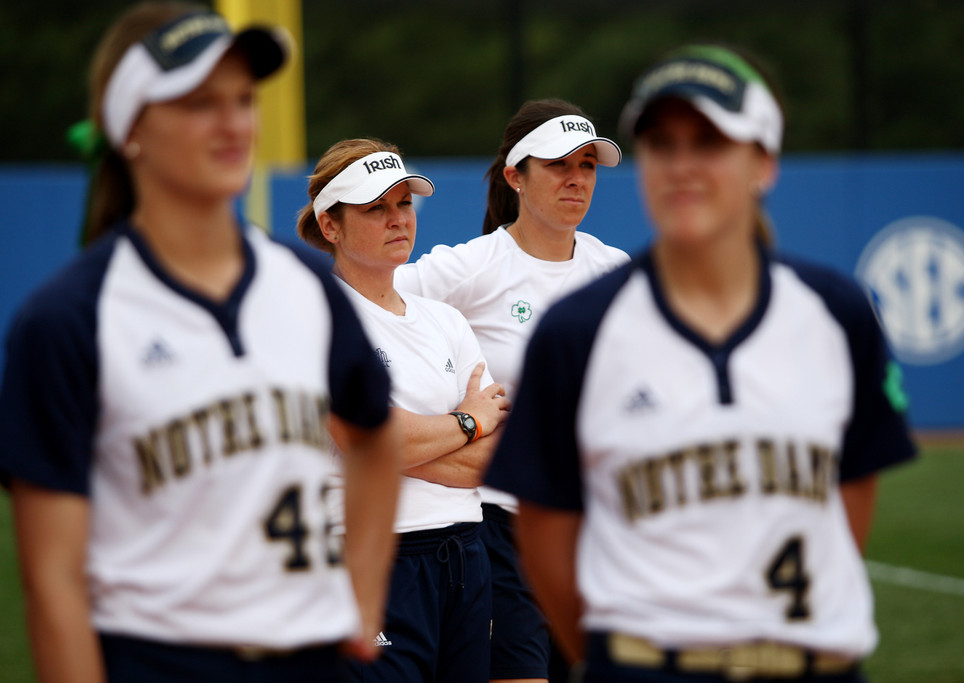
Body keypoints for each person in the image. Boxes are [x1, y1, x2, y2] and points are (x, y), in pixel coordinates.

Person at [484, 44, 918, 683]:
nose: (682, 165)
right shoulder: (579, 329)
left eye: (710, 142)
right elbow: (546, 530)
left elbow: (853, 491)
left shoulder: (836, 312)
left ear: (763, 162)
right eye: (662, 144)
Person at [0, 4, 402, 682]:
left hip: (312, 658)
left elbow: (375, 435)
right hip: (160, 661)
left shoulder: (304, 283)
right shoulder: (68, 318)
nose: (233, 122)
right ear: (130, 130)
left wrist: (361, 600)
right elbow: (53, 584)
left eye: (244, 99)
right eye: (198, 102)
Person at [393, 99, 627, 683]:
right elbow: (362, 296)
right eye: (559, 165)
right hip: (505, 528)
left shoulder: (616, 272)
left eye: (588, 166)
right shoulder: (472, 267)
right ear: (515, 176)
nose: (577, 178)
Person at [297, 138, 512, 682]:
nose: (398, 219)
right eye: (376, 208)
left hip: (466, 552)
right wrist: (467, 421)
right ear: (331, 226)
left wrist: (388, 446)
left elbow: (491, 459)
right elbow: (376, 441)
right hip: (375, 553)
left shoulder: (446, 321)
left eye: (404, 203)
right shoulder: (314, 316)